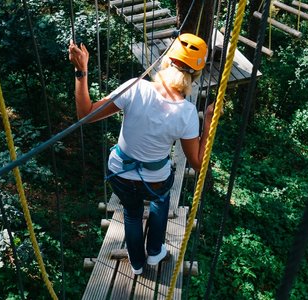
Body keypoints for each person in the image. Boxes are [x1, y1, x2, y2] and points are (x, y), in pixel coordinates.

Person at [68, 33, 215, 275]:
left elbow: (85, 114)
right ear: (195, 76)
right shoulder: (188, 113)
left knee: (132, 212)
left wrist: (81, 71)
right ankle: (155, 252)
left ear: (165, 61)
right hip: (155, 179)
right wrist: (208, 121)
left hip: (120, 173)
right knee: (160, 198)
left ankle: (136, 263)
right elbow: (198, 163)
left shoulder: (134, 86)